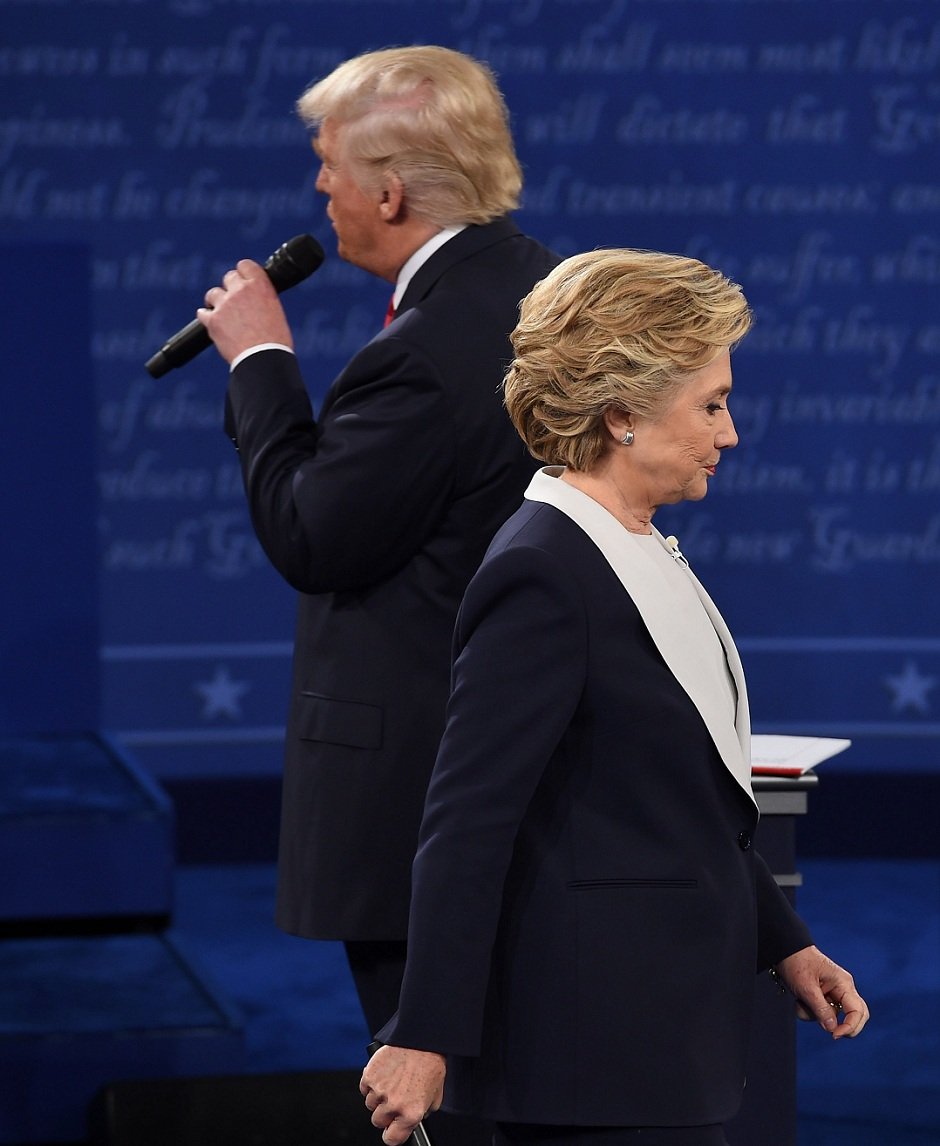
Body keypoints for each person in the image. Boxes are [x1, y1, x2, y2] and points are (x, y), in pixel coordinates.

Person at [359, 249, 870, 1146]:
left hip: (659, 1039)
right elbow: (467, 820)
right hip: (590, 1062)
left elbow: (675, 798)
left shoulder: (632, 548)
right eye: (711, 404)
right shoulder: (543, 572)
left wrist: (782, 939)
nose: (731, 432)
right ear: (622, 414)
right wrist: (424, 1032)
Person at [196, 43, 560, 1126]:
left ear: (390, 190)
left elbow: (315, 536)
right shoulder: (538, 286)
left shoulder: (425, 348)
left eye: (330, 171)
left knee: (443, 1096)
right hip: (518, 758)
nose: (322, 193)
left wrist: (261, 362)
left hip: (422, 791)